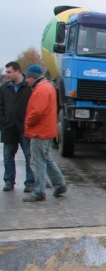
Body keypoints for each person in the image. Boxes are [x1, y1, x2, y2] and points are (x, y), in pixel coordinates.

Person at [22, 65, 67, 202]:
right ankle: (59, 185)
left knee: (38, 162)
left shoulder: (40, 90)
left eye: (27, 77)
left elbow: (37, 112)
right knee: (47, 159)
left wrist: (27, 123)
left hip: (39, 132)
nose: (26, 81)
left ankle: (39, 192)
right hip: (47, 130)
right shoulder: (48, 87)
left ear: (32, 77)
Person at [0, 61, 34, 192]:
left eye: (9, 72)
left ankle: (30, 183)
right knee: (8, 156)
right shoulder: (4, 88)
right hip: (8, 127)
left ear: (18, 71)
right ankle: (9, 181)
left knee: (28, 156)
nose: (6, 74)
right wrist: (2, 121)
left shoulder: (29, 87)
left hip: (25, 127)